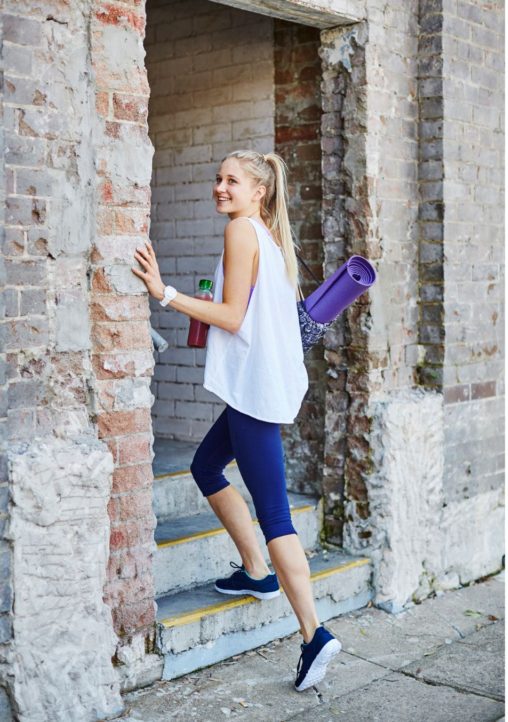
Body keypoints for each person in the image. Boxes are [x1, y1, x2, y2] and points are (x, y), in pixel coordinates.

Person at [132, 150, 340, 692]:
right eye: (218, 178)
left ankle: (314, 634)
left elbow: (231, 316)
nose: (220, 187)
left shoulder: (243, 233)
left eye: (232, 181)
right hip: (260, 386)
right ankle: (255, 571)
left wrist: (165, 294)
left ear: (259, 191)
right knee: (205, 466)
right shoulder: (266, 235)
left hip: (255, 394)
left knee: (276, 515)